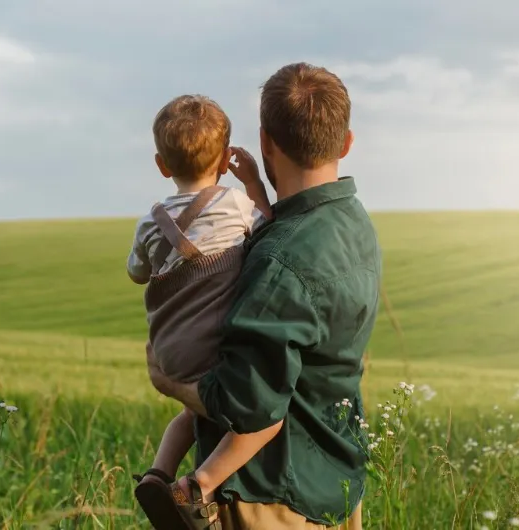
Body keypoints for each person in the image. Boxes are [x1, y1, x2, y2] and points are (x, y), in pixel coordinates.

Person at [146, 62, 381, 530]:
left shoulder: (278, 261)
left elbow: (246, 406)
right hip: (335, 479)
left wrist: (170, 384)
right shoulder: (355, 224)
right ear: (347, 143)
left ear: (266, 142)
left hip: (272, 498)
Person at [126, 94, 286, 530]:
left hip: (169, 351)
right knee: (264, 420)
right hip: (214, 347)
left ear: (162, 165)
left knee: (190, 414)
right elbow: (269, 223)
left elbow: (137, 274)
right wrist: (253, 180)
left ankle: (157, 475)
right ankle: (197, 485)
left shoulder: (150, 222)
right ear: (222, 161)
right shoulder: (234, 204)